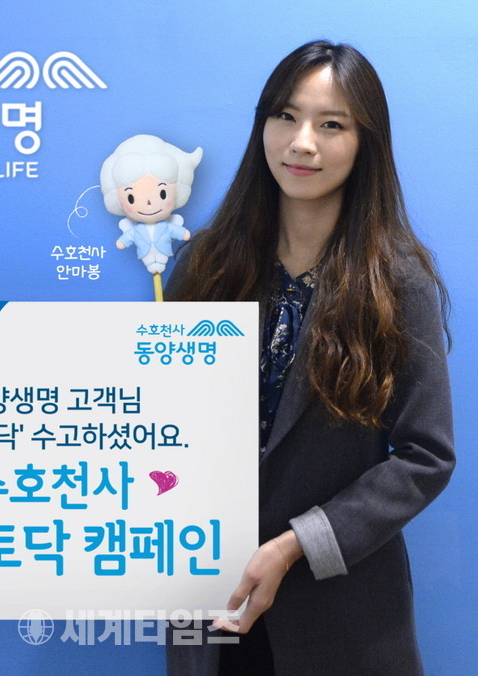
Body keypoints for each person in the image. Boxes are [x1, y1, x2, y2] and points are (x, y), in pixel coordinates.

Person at [164, 40, 454, 675]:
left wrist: (297, 544)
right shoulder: (205, 266)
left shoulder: (397, 282)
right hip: (205, 601)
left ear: (365, 144)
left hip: (340, 613)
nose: (301, 143)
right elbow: (147, 432)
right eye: (286, 117)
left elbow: (426, 456)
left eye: (331, 125)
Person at [100, 134, 202, 275]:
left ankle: (159, 263)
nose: (148, 203)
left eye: (162, 194)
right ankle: (152, 264)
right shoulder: (136, 231)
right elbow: (127, 238)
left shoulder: (166, 227)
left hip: (163, 252)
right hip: (145, 254)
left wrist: (183, 234)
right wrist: (122, 242)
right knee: (151, 265)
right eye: (131, 198)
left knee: (160, 263)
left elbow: (177, 231)